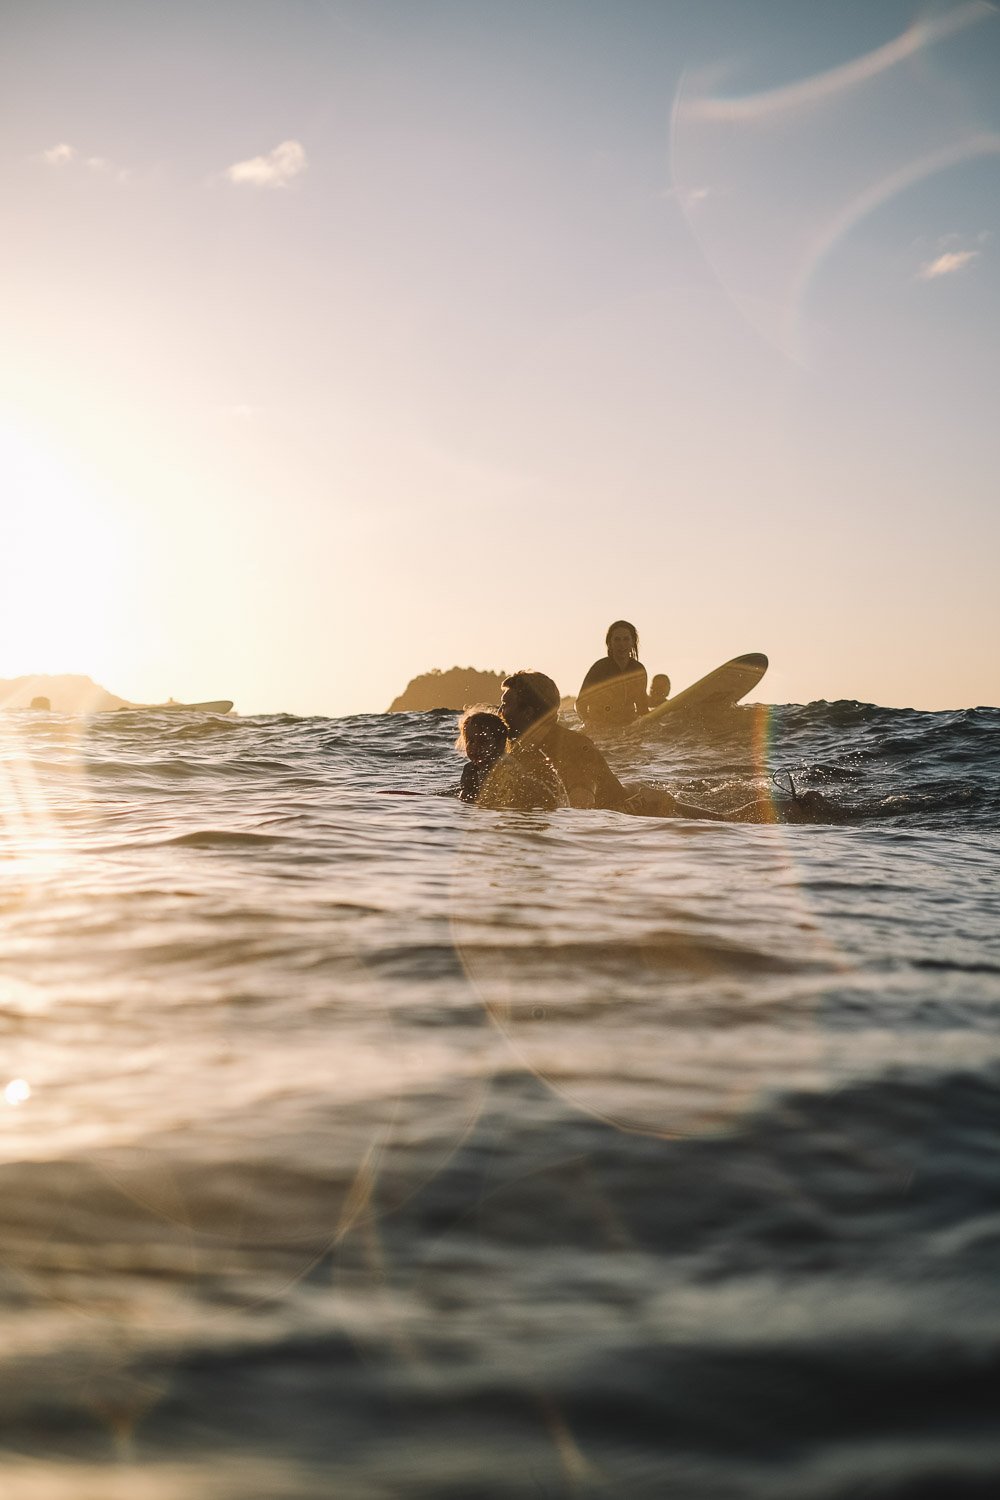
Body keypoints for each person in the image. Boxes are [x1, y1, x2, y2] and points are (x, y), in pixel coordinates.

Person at [455, 706, 568, 811]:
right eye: (471, 741)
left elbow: (505, 802)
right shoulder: (470, 769)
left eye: (483, 741)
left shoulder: (506, 767)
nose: (475, 746)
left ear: (500, 744)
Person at [577, 621, 650, 729]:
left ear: (633, 642)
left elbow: (642, 707)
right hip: (600, 727)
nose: (622, 644)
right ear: (609, 643)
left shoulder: (638, 669)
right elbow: (580, 703)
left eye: (626, 639)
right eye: (617, 639)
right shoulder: (599, 668)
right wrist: (587, 721)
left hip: (628, 726)